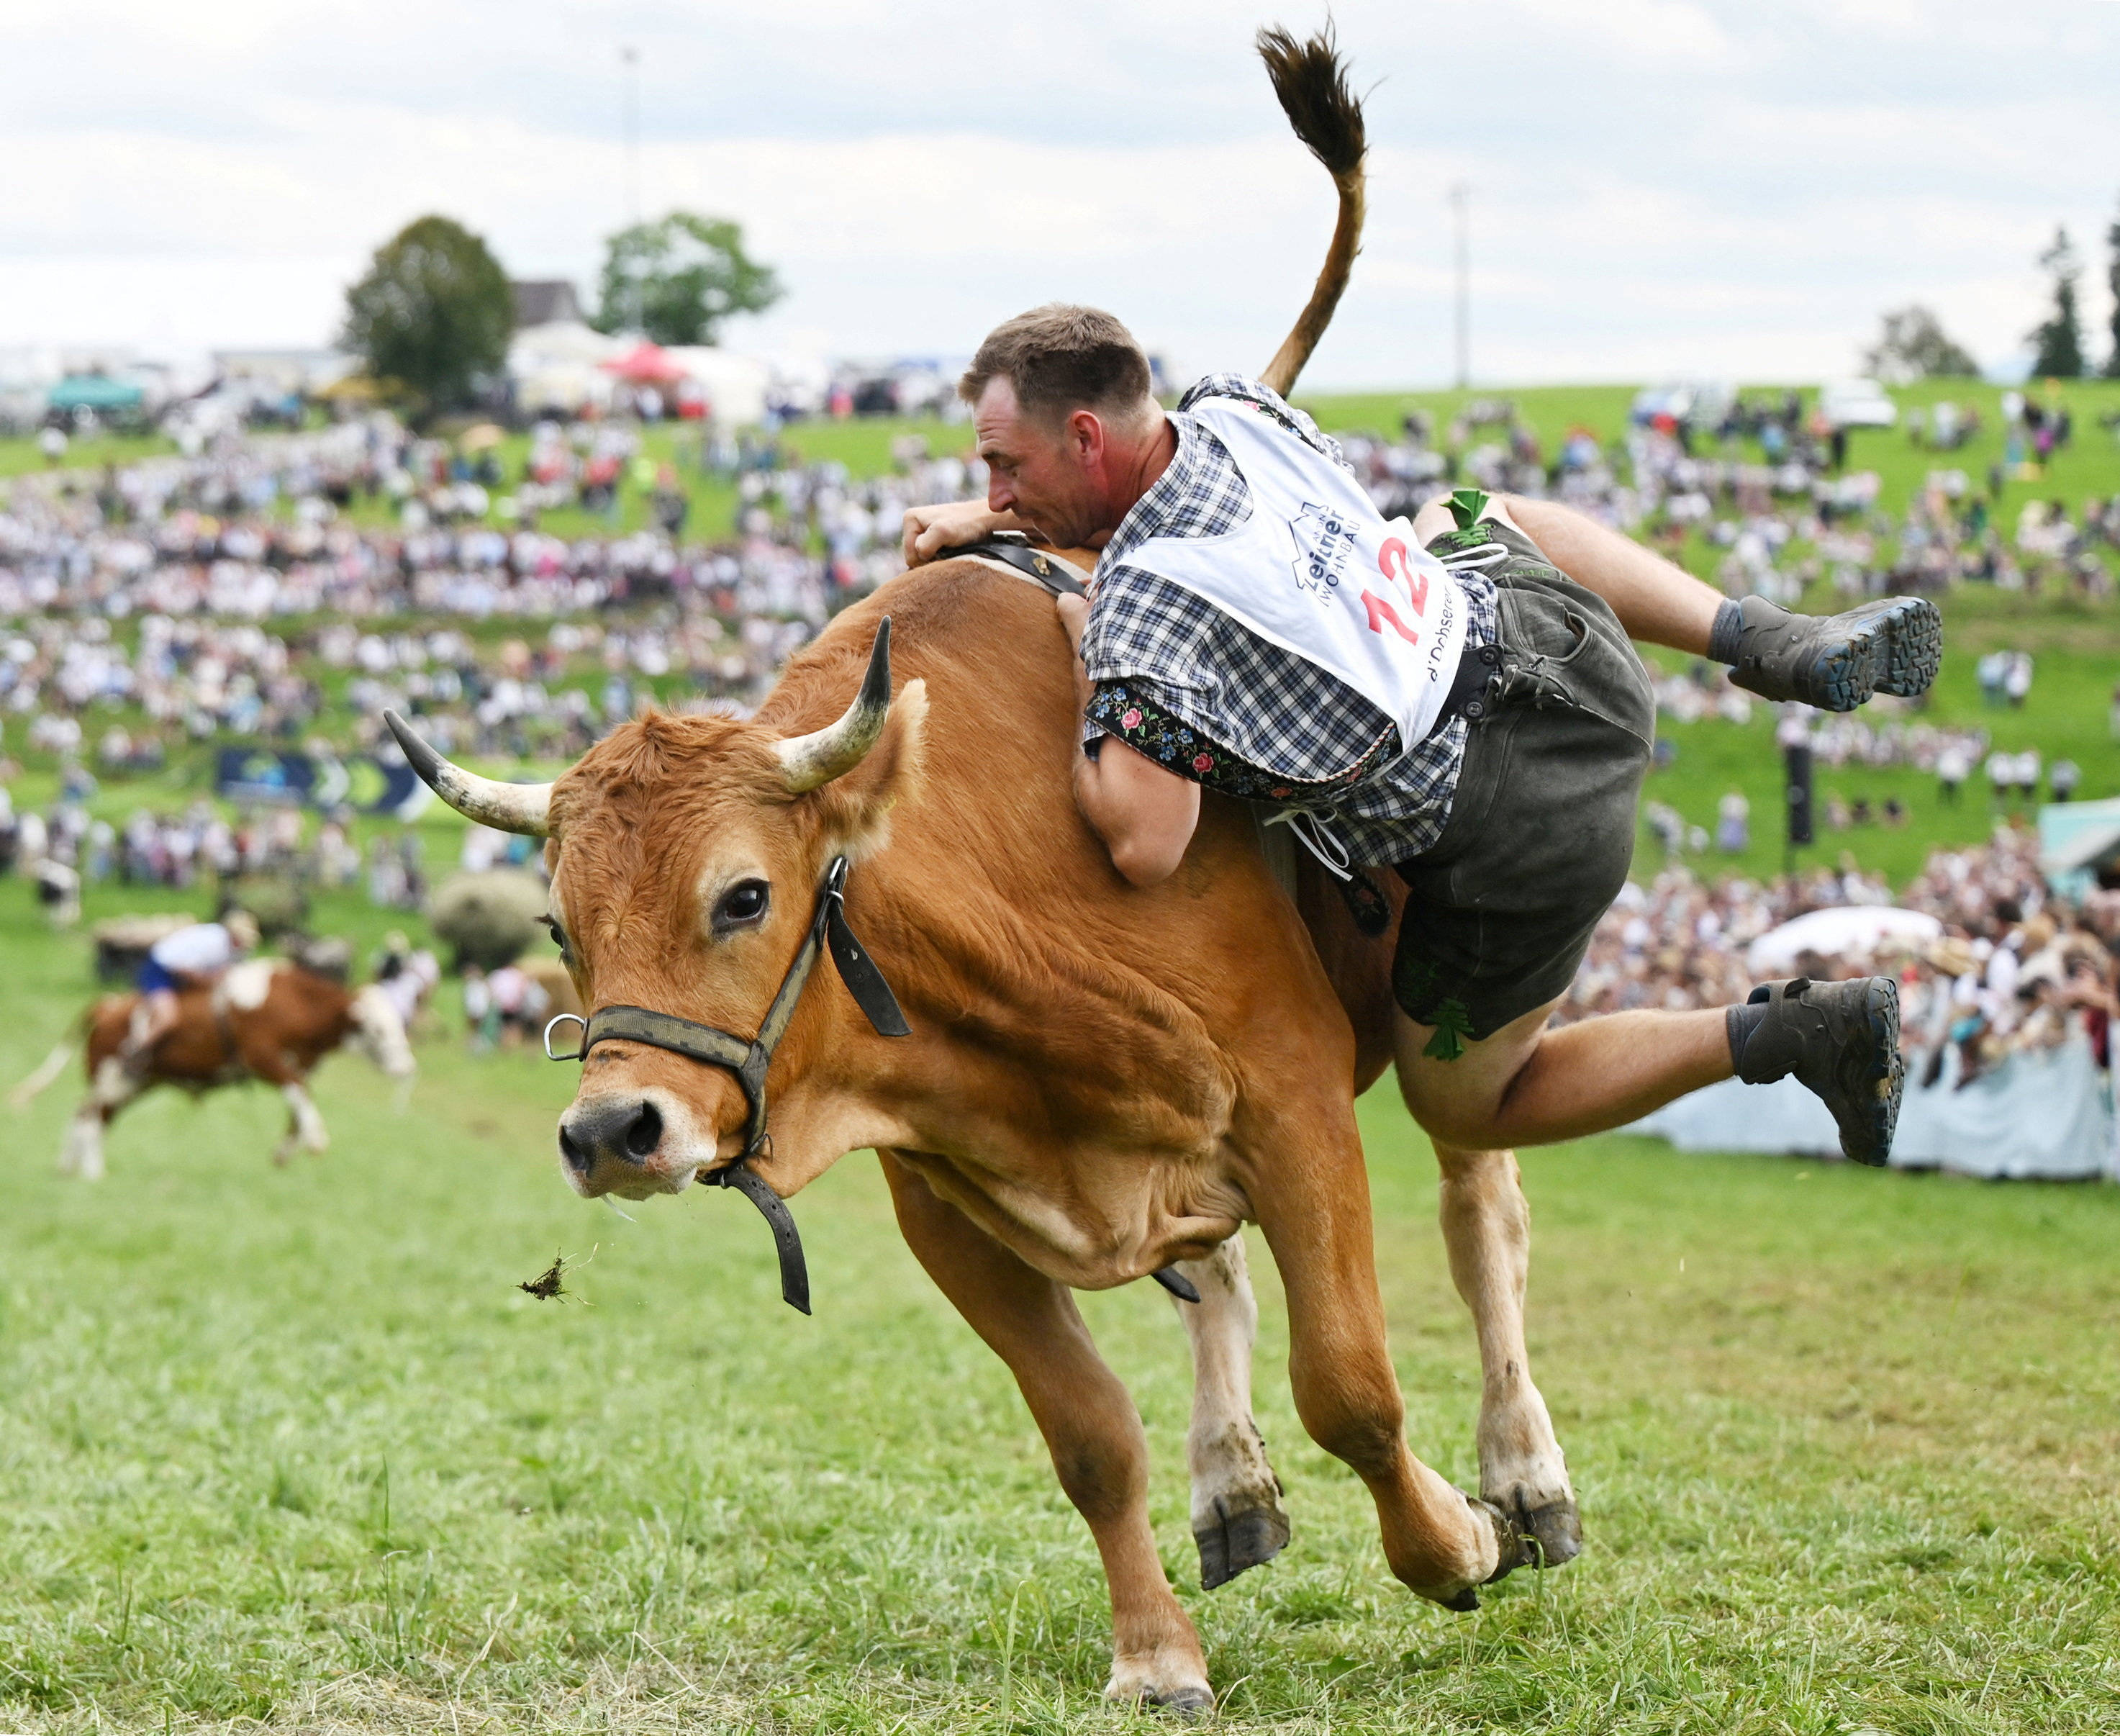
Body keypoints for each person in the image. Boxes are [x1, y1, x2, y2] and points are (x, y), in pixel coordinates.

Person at [902, 306, 1942, 1163]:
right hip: (1561, 639)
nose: (994, 491)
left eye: (1005, 466)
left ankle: (1792, 1031)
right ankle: (1766, 640)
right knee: (1462, 509)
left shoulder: (1138, 612)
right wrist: (1015, 515)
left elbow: (1147, 842)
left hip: (1522, 821)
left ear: (1086, 437)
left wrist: (1088, 653)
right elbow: (1168, 497)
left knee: (1465, 1105)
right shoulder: (1234, 410)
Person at [120, 910, 261, 1072]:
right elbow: (184, 968)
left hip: (183, 973)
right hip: (162, 971)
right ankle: (137, 1050)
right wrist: (208, 980)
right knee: (168, 1018)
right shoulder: (214, 943)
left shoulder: (234, 947)